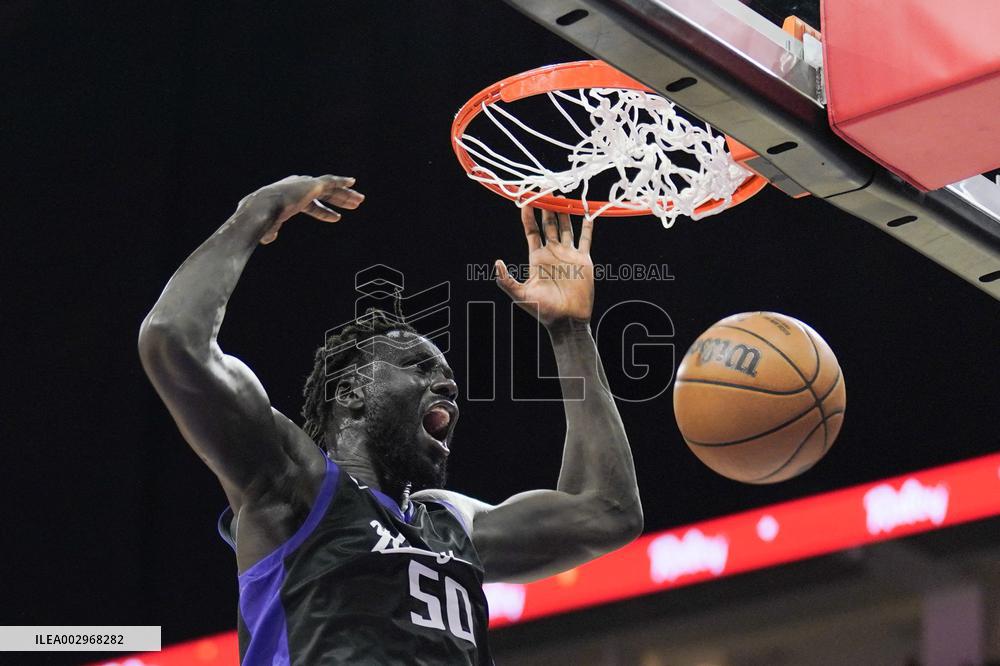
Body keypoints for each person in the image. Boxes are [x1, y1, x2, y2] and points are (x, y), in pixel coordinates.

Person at [138, 174, 643, 665]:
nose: (447, 386)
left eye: (446, 376)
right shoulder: (299, 486)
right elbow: (173, 338)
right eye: (419, 368)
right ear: (352, 392)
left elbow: (608, 511)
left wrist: (570, 332)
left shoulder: (450, 524)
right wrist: (256, 212)